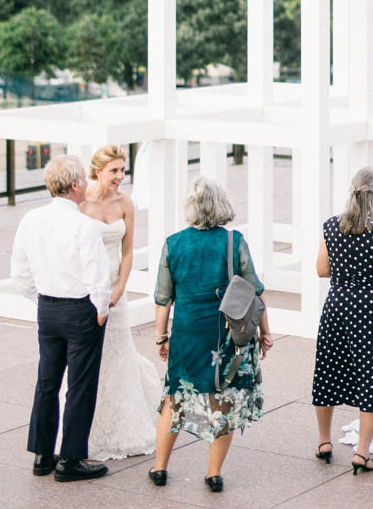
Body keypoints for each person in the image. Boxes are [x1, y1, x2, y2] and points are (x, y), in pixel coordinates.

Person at [148, 176, 273, 493]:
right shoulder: (234, 242)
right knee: (222, 399)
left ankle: (160, 467)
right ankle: (213, 473)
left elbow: (163, 299)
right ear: (221, 206)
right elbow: (255, 293)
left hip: (187, 333)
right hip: (224, 335)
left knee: (174, 397)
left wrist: (162, 337)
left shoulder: (173, 243)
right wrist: (265, 333)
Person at [10, 154, 111, 483]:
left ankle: (42, 454)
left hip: (48, 308)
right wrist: (101, 310)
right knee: (80, 386)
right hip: (80, 309)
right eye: (83, 179)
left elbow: (20, 273)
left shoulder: (31, 219)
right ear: (74, 185)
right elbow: (97, 275)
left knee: (47, 382)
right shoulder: (83, 224)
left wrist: (38, 299)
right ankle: (70, 459)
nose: (86, 184)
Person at [312, 167, 373, 475]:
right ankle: (362, 452)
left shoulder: (331, 226)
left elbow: (321, 270)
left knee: (328, 372)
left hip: (338, 306)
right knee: (372, 379)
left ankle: (324, 441)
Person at [78, 144, 161, 460]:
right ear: (97, 170)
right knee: (90, 356)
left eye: (122, 171)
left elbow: (128, 253)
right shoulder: (82, 204)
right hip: (87, 287)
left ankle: (125, 422)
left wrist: (119, 288)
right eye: (113, 171)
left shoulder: (127, 204)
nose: (119, 176)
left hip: (117, 290)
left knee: (118, 350)